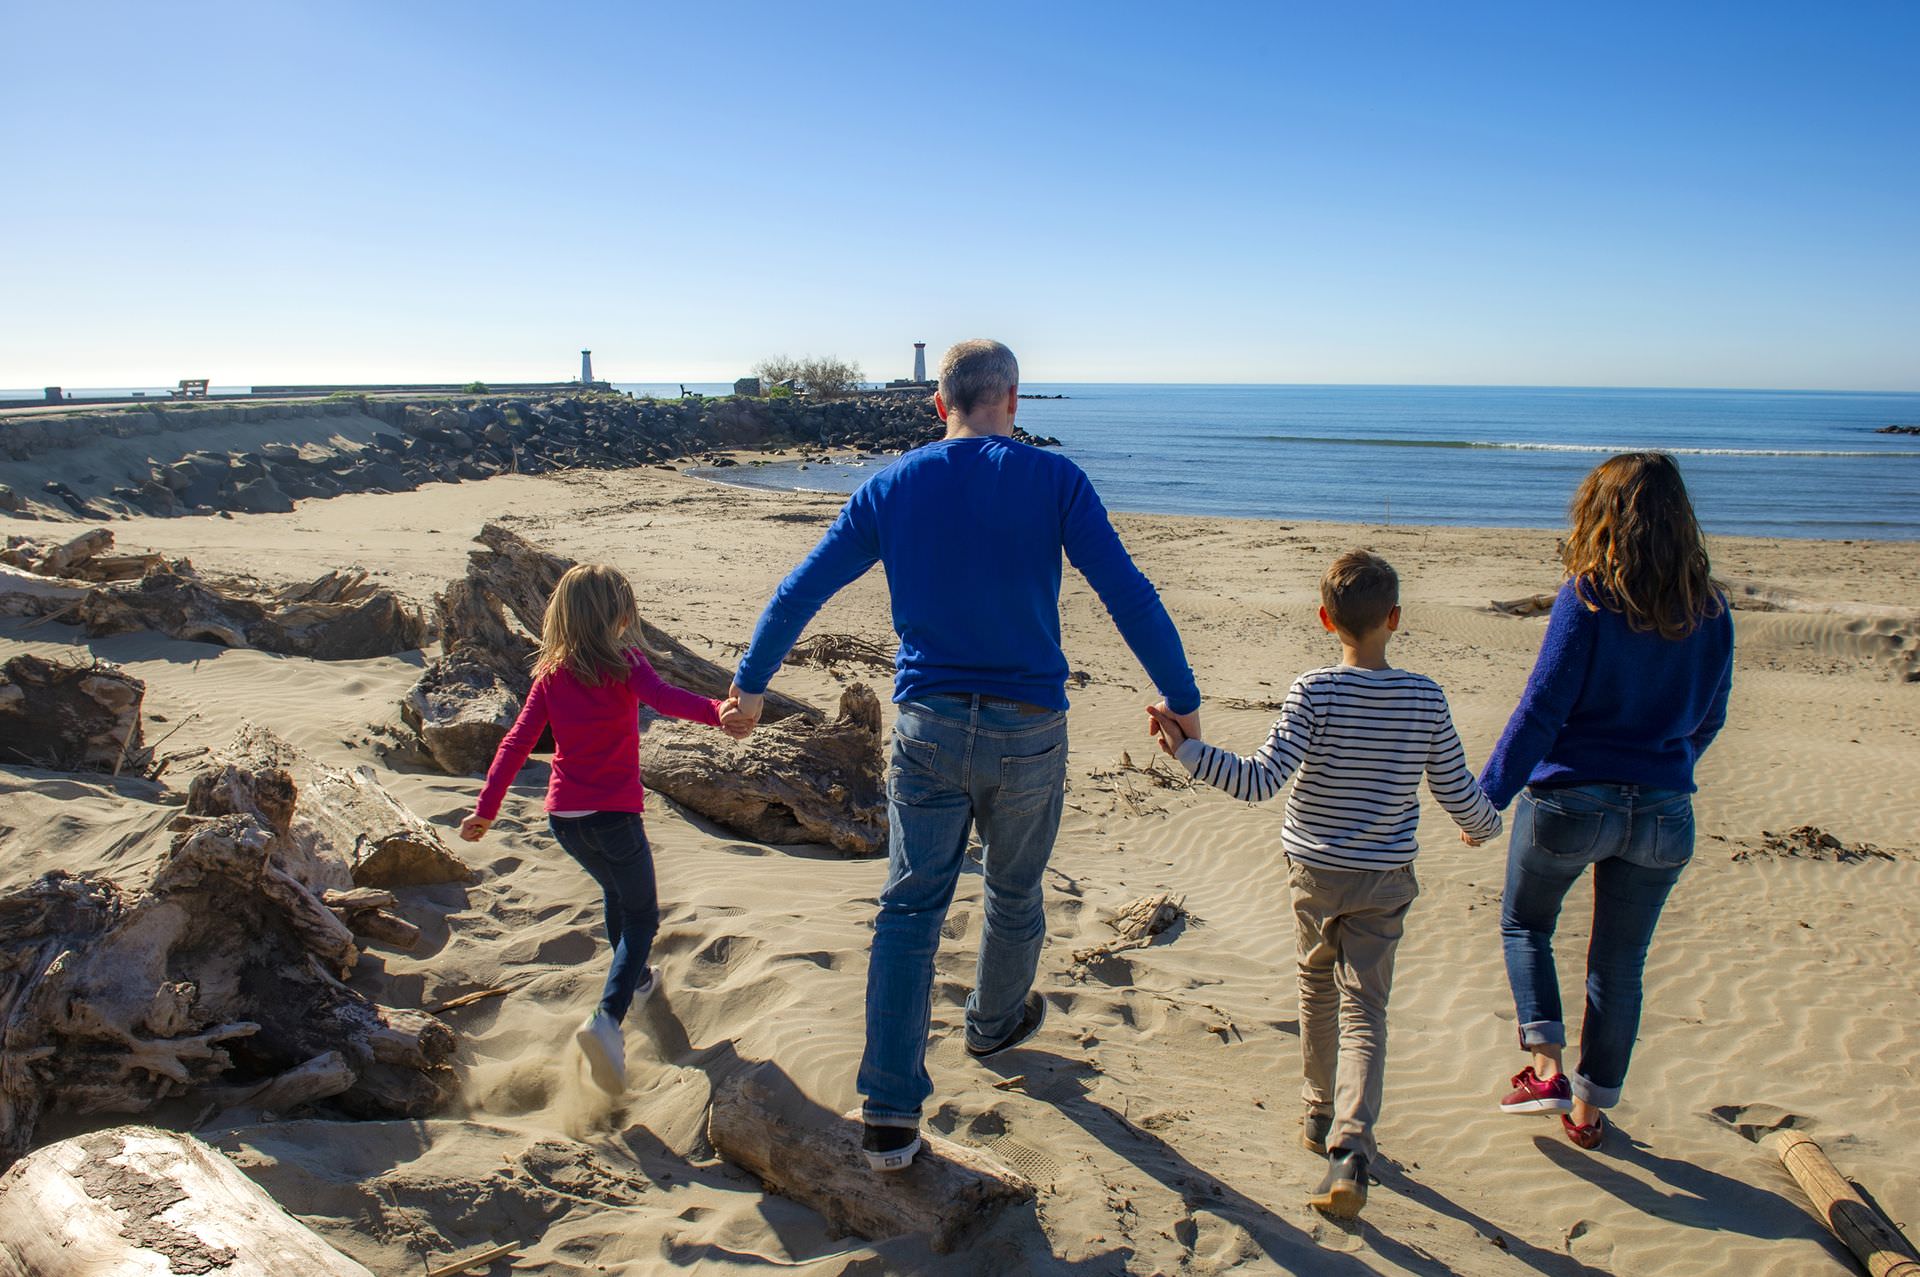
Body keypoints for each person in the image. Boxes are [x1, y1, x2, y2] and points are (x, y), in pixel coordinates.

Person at [726, 339, 1202, 1171]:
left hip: (929, 726)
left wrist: (752, 684)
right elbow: (1127, 590)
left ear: (936, 403)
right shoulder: (1056, 480)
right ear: (1012, 399)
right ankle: (991, 1025)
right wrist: (1182, 699)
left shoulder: (891, 484)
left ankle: (889, 1112)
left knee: (911, 907)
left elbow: (803, 584)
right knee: (1015, 892)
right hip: (1028, 728)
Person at [1149, 550, 1501, 1218]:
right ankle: (1351, 1142)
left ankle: (1317, 1114)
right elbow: (1458, 789)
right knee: (1366, 1006)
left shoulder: (1314, 689)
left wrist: (1187, 750)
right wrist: (1485, 825)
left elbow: (1258, 778)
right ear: (1394, 620)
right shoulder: (1424, 696)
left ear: (1324, 619)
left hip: (1314, 871)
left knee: (1316, 984)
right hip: (1385, 877)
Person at [1479, 452, 1733, 1149]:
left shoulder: (1587, 597)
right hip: (1663, 811)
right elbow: (1709, 717)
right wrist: (1662, 771)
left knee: (1526, 924)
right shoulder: (1710, 608)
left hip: (1571, 801)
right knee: (1619, 963)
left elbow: (1541, 709)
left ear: (1602, 515)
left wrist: (1489, 794)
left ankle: (1545, 1068)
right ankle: (1588, 1115)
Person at [460, 564, 752, 1092]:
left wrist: (487, 808)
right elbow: (666, 699)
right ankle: (607, 1020)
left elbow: (516, 743)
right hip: (613, 816)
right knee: (641, 916)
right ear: (617, 617)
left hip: (565, 821)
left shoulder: (551, 673)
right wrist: (719, 712)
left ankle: (637, 979)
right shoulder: (626, 663)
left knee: (618, 896)